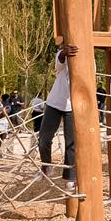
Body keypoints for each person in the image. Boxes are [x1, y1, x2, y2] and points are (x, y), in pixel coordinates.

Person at [38, 44, 78, 190]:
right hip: (54, 102)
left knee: (71, 143)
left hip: (73, 106)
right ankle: (46, 167)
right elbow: (58, 63)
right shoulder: (63, 55)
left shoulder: (88, 60)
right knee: (44, 138)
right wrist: (64, 52)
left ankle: (71, 176)